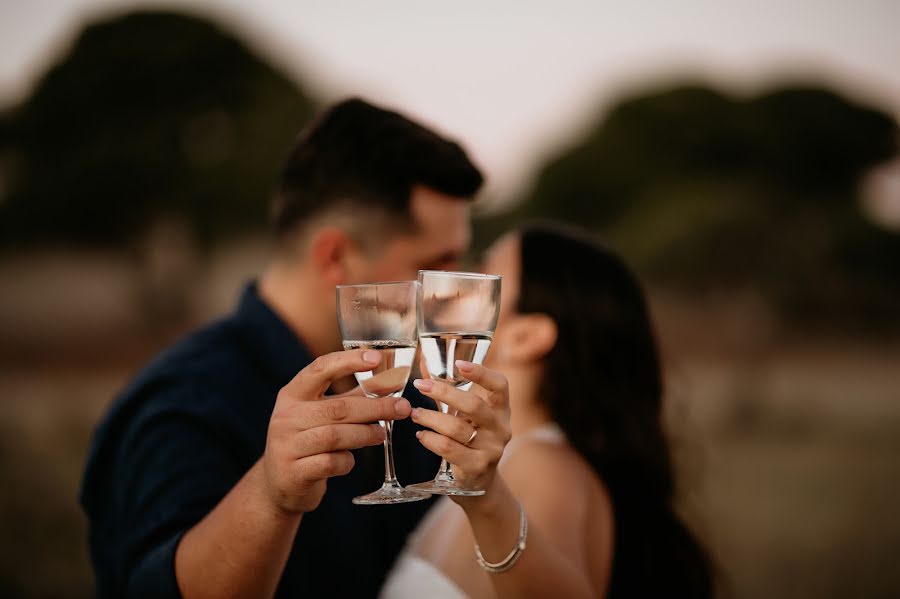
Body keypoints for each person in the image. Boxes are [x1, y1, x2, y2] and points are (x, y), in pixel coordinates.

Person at [79, 97, 484, 597]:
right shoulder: (181, 404)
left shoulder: (409, 401)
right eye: (434, 265)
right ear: (336, 256)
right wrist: (272, 496)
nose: (447, 291)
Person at [381, 224, 714, 598]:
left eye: (485, 278)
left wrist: (487, 499)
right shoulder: (508, 463)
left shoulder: (544, 467)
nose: (453, 286)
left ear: (527, 336)